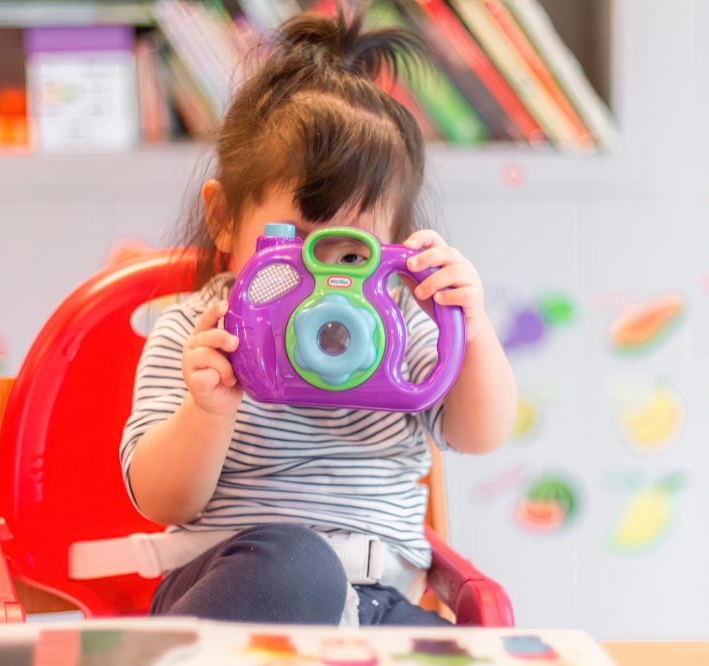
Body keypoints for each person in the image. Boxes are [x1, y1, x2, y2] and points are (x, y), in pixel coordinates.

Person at [120, 3, 517, 627]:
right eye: (296, 243)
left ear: (395, 247)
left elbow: (480, 433)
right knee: (296, 566)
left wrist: (471, 324)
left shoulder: (401, 326)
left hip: (380, 601)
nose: (323, 282)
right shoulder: (197, 331)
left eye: (352, 253)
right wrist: (207, 410)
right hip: (242, 590)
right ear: (225, 218)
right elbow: (160, 497)